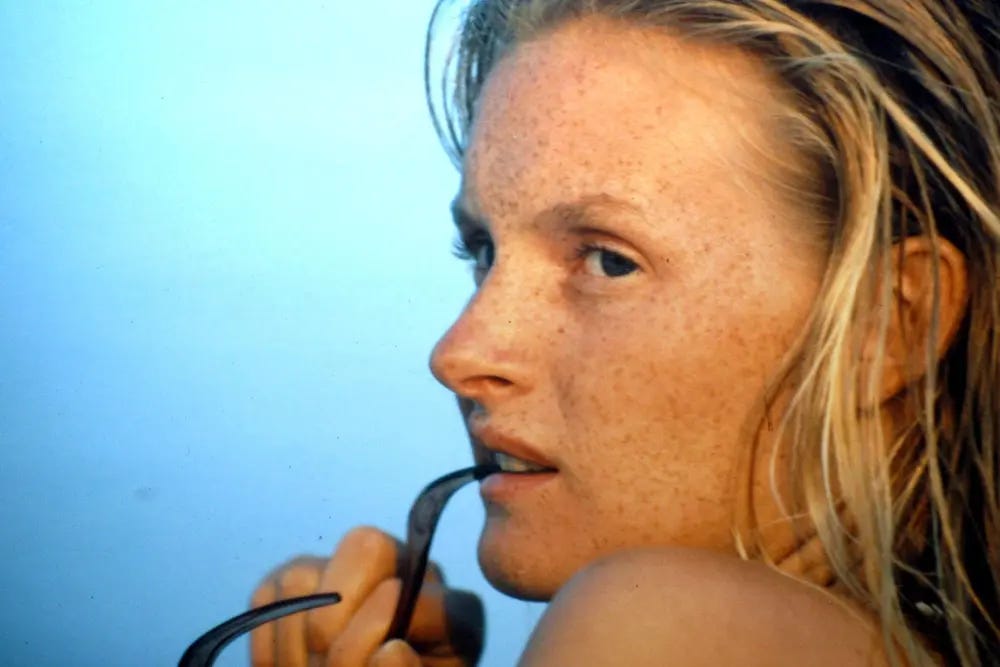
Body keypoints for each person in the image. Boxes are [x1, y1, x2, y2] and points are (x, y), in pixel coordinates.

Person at [249, 1, 1000, 665]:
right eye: (483, 251)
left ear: (891, 324)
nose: (459, 355)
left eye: (607, 261)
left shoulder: (654, 626)